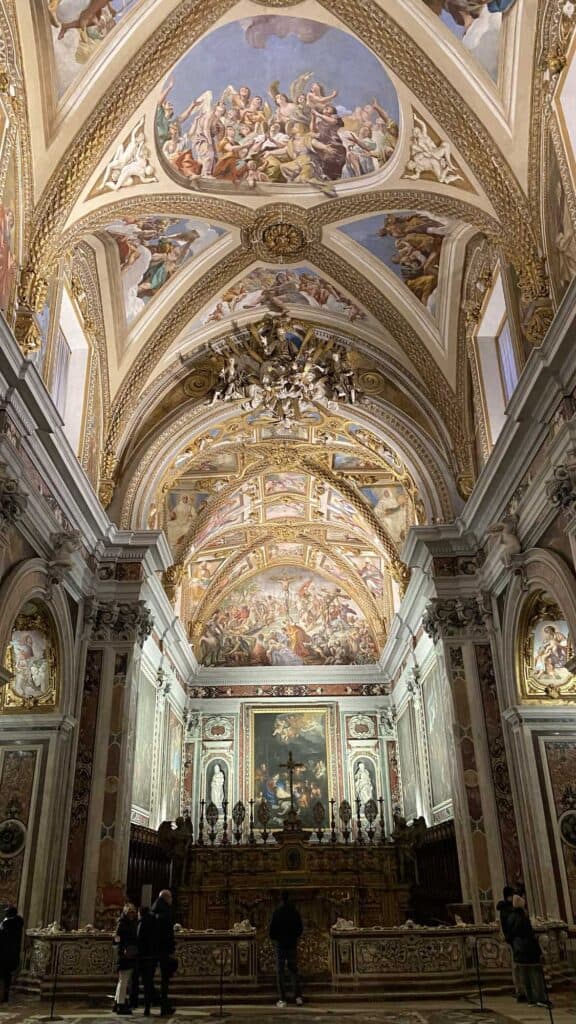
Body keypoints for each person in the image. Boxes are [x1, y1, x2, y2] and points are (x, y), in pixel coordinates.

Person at [506, 894, 551, 1008]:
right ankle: (540, 998)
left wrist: (515, 944)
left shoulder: (510, 917)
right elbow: (529, 934)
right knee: (536, 973)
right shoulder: (523, 916)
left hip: (518, 949)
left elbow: (509, 934)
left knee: (524, 975)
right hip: (528, 949)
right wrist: (537, 949)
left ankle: (530, 999)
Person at [269, 891, 303, 1008]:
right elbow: (300, 928)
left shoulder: (277, 912)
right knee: (294, 971)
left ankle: (282, 999)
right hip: (292, 944)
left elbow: (271, 932)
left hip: (280, 945)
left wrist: (277, 938)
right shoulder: (294, 912)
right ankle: (298, 997)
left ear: (280, 899)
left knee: (280, 972)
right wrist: (293, 937)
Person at [496, 886, 526, 1002]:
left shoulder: (506, 909)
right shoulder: (510, 910)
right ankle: (521, 991)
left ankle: (521, 990)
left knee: (517, 967)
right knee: (518, 967)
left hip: (513, 941)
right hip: (515, 942)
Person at [151, 889, 176, 1016]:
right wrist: (171, 949)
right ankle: (163, 1004)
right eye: (171, 897)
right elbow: (168, 934)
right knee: (165, 980)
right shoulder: (165, 913)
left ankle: (157, 1003)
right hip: (163, 950)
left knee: (149, 979)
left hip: (152, 950)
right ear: (166, 898)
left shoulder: (153, 911)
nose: (172, 900)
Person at [113, 903, 138, 1015]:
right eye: (130, 912)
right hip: (125, 955)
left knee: (122, 980)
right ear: (126, 912)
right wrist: (122, 948)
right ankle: (121, 1004)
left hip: (128, 953)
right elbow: (117, 938)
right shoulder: (123, 923)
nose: (132, 914)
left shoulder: (129, 923)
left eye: (133, 912)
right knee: (124, 980)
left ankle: (117, 1002)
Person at [135, 906, 157, 1016]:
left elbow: (138, 939)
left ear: (140, 913)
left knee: (143, 982)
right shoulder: (154, 922)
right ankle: (150, 1004)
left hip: (142, 956)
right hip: (152, 956)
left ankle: (144, 1005)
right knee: (149, 982)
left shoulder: (142, 923)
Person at [0, 906, 24, 1002]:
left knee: (3, 976)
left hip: (4, 954)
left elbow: (3, 938)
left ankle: (3, 996)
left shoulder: (7, 924)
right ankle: (5, 995)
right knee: (7, 976)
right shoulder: (18, 922)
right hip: (13, 954)